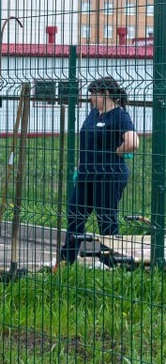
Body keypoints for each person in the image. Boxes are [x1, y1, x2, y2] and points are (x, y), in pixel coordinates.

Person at [59, 76, 139, 265]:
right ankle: (66, 260)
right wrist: (80, 164)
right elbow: (87, 140)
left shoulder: (120, 115)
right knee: (74, 214)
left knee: (106, 219)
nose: (91, 98)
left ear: (107, 94)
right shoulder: (94, 114)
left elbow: (133, 142)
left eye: (94, 94)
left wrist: (118, 152)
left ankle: (110, 263)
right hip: (86, 175)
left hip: (108, 176)